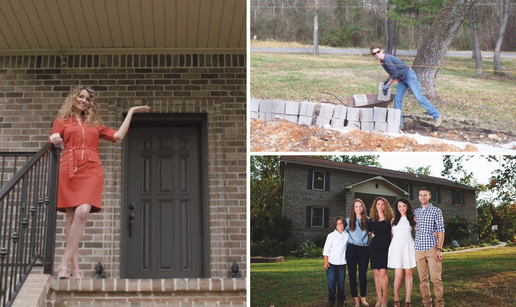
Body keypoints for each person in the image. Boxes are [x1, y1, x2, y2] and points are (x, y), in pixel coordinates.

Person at [49, 85, 150, 279]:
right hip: (69, 168)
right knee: (71, 219)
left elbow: (118, 136)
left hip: (91, 170)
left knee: (83, 211)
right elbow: (52, 142)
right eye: (80, 96)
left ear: (90, 103)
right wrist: (54, 139)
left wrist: (130, 112)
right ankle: (76, 270)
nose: (83, 100)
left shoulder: (95, 123)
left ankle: (63, 265)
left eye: (87, 99)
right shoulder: (62, 121)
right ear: (74, 98)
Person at [370, 45, 444, 128]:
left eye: (378, 52)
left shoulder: (387, 59)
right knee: (397, 99)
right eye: (374, 54)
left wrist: (388, 85)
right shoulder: (382, 62)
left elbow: (395, 74)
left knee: (419, 97)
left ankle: (437, 115)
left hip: (409, 76)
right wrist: (387, 80)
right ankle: (399, 123)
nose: (377, 54)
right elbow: (391, 72)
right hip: (402, 79)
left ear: (381, 51)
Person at [413, 187, 445, 307]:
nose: (423, 197)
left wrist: (439, 249)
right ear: (418, 197)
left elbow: (441, 230)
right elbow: (411, 223)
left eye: (425, 195)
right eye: (421, 195)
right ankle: (427, 303)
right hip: (418, 249)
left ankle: (439, 304)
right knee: (423, 279)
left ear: (430, 196)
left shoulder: (436, 211)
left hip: (432, 247)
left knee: (436, 278)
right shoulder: (416, 212)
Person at [387, 198, 417, 307]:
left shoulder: (412, 219)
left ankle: (407, 300)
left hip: (408, 246)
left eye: (404, 206)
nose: (402, 208)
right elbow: (391, 235)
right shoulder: (394, 219)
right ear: (397, 208)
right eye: (399, 206)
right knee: (398, 275)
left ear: (407, 207)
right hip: (396, 247)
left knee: (408, 275)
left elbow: (420, 230)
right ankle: (396, 299)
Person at [368, 197, 394, 307]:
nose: (380, 206)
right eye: (378, 204)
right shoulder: (372, 219)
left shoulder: (390, 219)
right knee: (376, 273)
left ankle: (384, 299)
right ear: (375, 206)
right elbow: (369, 231)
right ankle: (378, 298)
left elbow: (393, 233)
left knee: (383, 273)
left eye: (382, 204)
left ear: (385, 206)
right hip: (374, 247)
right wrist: (370, 234)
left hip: (385, 248)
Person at [345, 199, 371, 307]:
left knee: (362, 276)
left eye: (360, 206)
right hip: (351, 249)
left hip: (364, 250)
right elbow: (342, 233)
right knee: (352, 275)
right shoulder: (348, 221)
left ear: (363, 208)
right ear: (353, 208)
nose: (358, 208)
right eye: (356, 206)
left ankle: (363, 298)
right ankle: (356, 299)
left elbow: (374, 231)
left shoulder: (368, 221)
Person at [323, 216, 350, 307]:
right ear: (335, 225)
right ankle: (331, 300)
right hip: (331, 263)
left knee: (341, 283)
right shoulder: (331, 235)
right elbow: (326, 249)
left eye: (341, 223)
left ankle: (340, 301)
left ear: (344, 224)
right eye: (337, 224)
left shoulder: (347, 235)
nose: (339, 225)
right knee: (331, 282)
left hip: (342, 263)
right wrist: (326, 261)